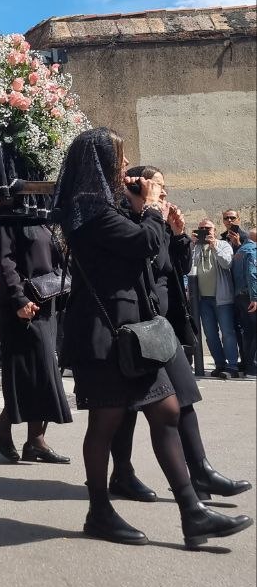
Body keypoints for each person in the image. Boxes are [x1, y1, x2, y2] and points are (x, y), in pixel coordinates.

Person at [53, 127, 252, 548]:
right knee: (104, 423)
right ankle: (99, 512)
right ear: (102, 162)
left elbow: (154, 254)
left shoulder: (111, 206)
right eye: (121, 157)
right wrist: (153, 209)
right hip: (103, 331)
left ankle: (192, 512)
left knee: (166, 411)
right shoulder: (89, 210)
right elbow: (143, 242)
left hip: (135, 329)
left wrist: (161, 221)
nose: (127, 165)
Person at [110, 166, 251, 503]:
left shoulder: (155, 219)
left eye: (164, 186)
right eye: (157, 185)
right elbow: (141, 257)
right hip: (137, 323)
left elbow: (176, 267)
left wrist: (177, 235)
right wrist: (153, 218)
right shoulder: (128, 216)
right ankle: (124, 475)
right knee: (125, 408)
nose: (163, 192)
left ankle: (200, 471)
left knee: (182, 395)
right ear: (139, 187)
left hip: (164, 322)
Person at [0, 222, 72, 465]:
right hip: (22, 304)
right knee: (30, 374)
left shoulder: (44, 217)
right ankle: (5, 428)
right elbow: (5, 260)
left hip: (46, 298)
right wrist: (18, 298)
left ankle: (34, 439)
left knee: (41, 373)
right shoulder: (7, 217)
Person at [192, 217, 239, 378]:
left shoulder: (223, 245)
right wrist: (192, 245)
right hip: (203, 300)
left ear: (214, 231)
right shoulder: (195, 247)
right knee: (210, 335)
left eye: (208, 228)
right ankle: (220, 364)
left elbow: (227, 264)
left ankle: (232, 366)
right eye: (202, 228)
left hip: (222, 298)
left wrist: (214, 247)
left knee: (227, 333)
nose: (205, 231)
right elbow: (189, 267)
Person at [230, 228, 257, 376]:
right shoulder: (252, 250)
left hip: (240, 297)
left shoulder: (239, 251)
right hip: (250, 296)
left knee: (248, 332)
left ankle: (248, 365)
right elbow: (252, 274)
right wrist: (255, 298)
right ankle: (253, 366)